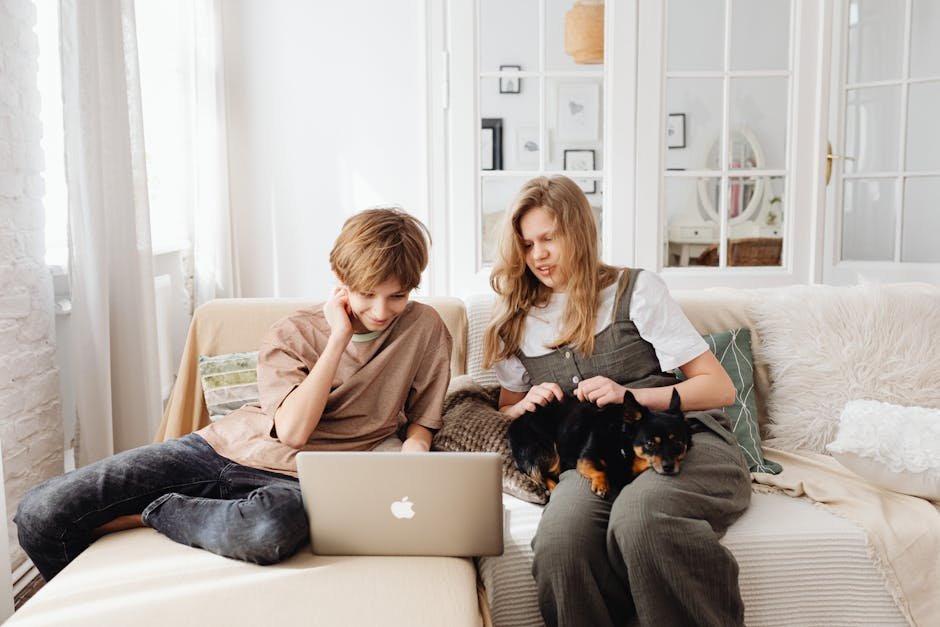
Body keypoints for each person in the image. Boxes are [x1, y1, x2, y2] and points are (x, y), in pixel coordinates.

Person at [16, 208, 452, 581]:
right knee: (41, 512)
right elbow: (294, 430)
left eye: (397, 296)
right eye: (366, 295)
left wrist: (414, 450)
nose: (381, 311)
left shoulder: (424, 327)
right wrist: (338, 337)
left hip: (304, 478)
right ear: (339, 279)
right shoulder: (292, 333)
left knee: (270, 530)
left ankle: (158, 511)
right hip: (219, 449)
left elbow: (424, 417)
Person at [482, 176, 751, 627]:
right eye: (527, 245)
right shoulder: (517, 319)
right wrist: (527, 400)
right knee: (561, 543)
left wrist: (632, 396)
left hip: (680, 440)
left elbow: (719, 388)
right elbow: (506, 408)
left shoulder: (636, 290)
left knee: (640, 519)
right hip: (597, 459)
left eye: (549, 238)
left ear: (579, 232)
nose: (539, 256)